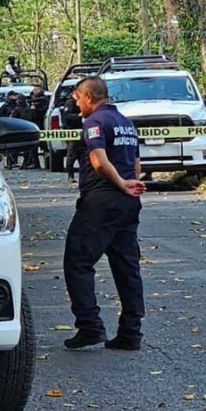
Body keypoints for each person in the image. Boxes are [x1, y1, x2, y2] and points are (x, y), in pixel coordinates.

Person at [63, 76, 147, 351]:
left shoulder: (94, 122)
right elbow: (135, 163)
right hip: (126, 203)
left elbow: (99, 161)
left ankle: (89, 326)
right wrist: (130, 185)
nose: (76, 103)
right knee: (127, 266)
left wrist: (120, 184)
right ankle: (131, 332)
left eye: (77, 98)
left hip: (101, 201)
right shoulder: (126, 122)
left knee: (77, 261)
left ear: (88, 97)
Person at [62, 91, 83, 183]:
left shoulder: (82, 102)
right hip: (71, 131)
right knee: (71, 154)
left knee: (82, 154)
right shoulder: (70, 103)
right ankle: (70, 175)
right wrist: (78, 115)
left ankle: (83, 175)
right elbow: (67, 116)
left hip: (81, 130)